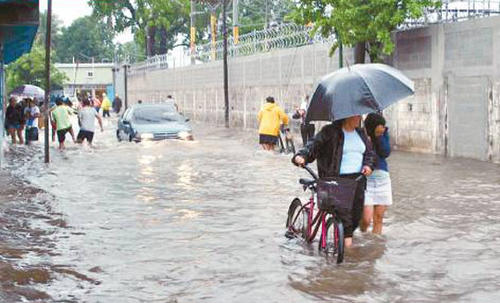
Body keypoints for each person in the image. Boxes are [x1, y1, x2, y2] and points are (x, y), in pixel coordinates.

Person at [293, 116, 375, 247]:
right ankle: (347, 253)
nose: (359, 117)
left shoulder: (361, 133)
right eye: (356, 115)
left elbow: (369, 154)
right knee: (345, 217)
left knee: (356, 216)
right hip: (336, 180)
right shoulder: (330, 132)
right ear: (346, 115)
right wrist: (302, 156)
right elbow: (313, 146)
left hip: (358, 180)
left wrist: (368, 165)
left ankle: (343, 242)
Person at [361, 113, 392, 235]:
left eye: (384, 126)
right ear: (373, 126)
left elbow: (385, 152)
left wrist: (379, 137)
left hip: (382, 179)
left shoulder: (383, 134)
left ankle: (376, 247)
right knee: (366, 220)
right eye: (380, 126)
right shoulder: (361, 135)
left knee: (378, 217)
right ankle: (361, 235)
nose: (383, 128)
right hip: (366, 180)